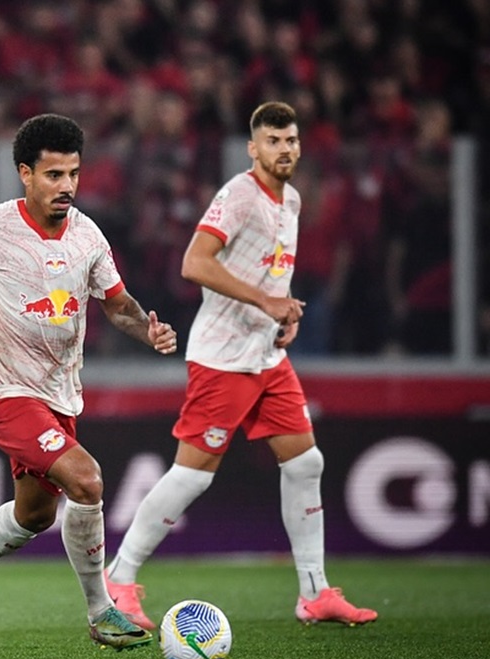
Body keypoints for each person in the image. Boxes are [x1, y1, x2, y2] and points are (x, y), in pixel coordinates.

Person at [0, 113, 179, 648]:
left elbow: (116, 306)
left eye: (73, 173)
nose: (67, 186)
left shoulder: (87, 235)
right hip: (4, 393)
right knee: (88, 481)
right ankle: (102, 612)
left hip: (59, 394)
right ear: (25, 174)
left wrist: (148, 330)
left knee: (34, 515)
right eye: (54, 175)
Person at [105, 102, 378, 629]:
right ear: (253, 148)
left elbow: (268, 274)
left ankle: (315, 593)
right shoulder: (238, 195)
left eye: (292, 140)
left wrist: (284, 309)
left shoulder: (291, 200)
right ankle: (119, 577)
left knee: (305, 463)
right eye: (274, 141)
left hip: (267, 354)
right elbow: (195, 262)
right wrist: (265, 303)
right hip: (224, 357)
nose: (285, 149)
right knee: (192, 476)